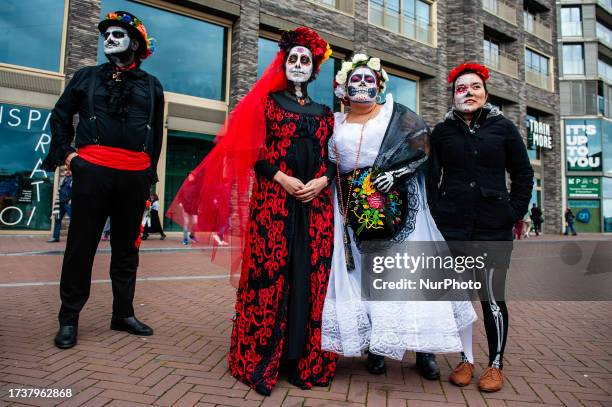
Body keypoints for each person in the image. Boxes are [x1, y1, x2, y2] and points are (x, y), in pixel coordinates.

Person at [168, 27, 338, 396]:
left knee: (310, 278)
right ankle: (262, 361)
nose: (297, 65)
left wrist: (323, 181)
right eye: (292, 59)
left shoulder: (327, 114)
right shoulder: (266, 103)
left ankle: (300, 361)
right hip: (274, 204)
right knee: (270, 275)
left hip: (316, 209)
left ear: (314, 69)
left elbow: (332, 159)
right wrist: (282, 178)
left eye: (304, 61)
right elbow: (249, 152)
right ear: (284, 63)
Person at [321, 54, 476, 382]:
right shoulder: (335, 123)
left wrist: (395, 174)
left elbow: (421, 150)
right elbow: (329, 164)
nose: (362, 85)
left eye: (368, 80)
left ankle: (425, 350)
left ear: (379, 86)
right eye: (356, 80)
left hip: (397, 205)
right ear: (343, 88)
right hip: (352, 211)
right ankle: (377, 347)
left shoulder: (395, 116)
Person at [42, 11, 164, 349]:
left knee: (127, 250)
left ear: (135, 43)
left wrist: (149, 175)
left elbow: (155, 137)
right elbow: (60, 117)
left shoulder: (152, 85)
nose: (108, 39)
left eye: (117, 34)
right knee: (81, 247)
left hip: (135, 175)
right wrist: (68, 156)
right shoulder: (86, 77)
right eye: (106, 35)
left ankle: (122, 313)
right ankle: (68, 318)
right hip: (92, 171)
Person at [428, 62, 534, 392]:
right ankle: (465, 359)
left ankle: (495, 364)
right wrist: (435, 215)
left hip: (492, 226)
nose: (468, 93)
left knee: (491, 296)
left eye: (474, 87)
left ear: (485, 93)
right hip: (454, 226)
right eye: (462, 88)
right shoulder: (442, 132)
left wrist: (512, 211)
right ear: (454, 96)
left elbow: (524, 173)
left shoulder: (503, 128)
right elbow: (431, 178)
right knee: (459, 297)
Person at [48, 169, 73, 243]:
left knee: (74, 221)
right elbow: (59, 191)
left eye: (69, 170)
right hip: (61, 203)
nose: (67, 171)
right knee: (57, 219)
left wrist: (72, 199)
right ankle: (55, 237)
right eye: (66, 170)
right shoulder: (63, 179)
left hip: (68, 203)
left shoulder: (74, 179)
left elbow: (76, 191)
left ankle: (76, 238)